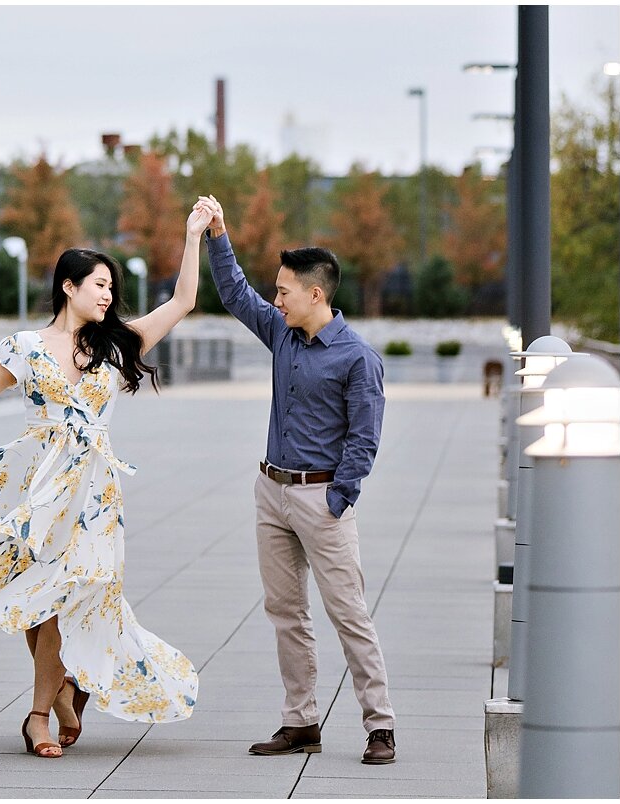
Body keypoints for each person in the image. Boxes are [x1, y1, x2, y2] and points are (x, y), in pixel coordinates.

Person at [0, 204, 211, 758]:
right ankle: (49, 704)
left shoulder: (118, 342)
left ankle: (48, 703)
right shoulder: (25, 348)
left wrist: (193, 235)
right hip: (37, 486)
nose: (108, 295)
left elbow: (182, 301)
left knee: (73, 589)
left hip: (95, 494)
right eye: (99, 285)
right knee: (41, 597)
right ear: (67, 286)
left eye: (112, 287)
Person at [197, 194, 396, 765]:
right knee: (286, 613)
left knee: (347, 613)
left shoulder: (357, 358)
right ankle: (300, 721)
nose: (275, 298)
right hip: (271, 492)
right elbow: (235, 293)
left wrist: (339, 497)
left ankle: (380, 725)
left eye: (284, 290)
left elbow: (365, 437)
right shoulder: (282, 334)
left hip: (321, 498)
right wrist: (219, 233)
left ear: (316, 294)